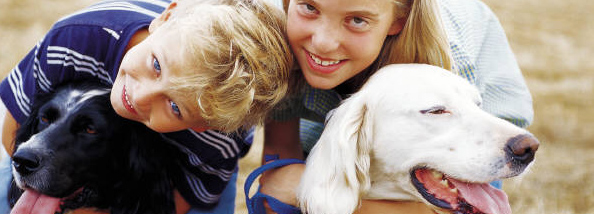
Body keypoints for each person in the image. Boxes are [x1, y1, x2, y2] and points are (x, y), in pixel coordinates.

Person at [0, 0, 292, 213]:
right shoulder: (74, 39)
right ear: (167, 17)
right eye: (156, 65)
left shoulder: (213, 139)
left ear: (203, 124)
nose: (139, 97)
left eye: (175, 106)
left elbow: (177, 202)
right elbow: (15, 131)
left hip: (179, 169)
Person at [250, 0, 534, 213]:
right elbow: (277, 179)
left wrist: (312, 193)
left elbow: (292, 187)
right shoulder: (284, 52)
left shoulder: (449, 61)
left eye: (358, 19)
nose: (323, 43)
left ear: (397, 20)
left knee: (473, 167)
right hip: (346, 122)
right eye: (310, 6)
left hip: (464, 111)